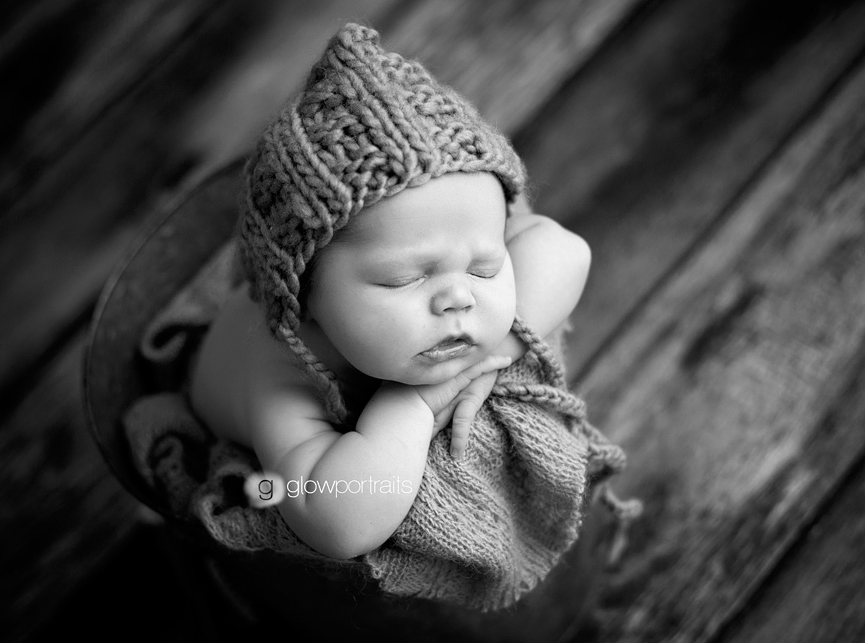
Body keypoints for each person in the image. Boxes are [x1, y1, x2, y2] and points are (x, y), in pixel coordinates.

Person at [190, 23, 592, 562]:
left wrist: (498, 355)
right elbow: (336, 520)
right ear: (305, 302)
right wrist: (414, 401)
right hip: (234, 431)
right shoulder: (282, 372)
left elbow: (567, 251)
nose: (458, 298)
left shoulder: (445, 229)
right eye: (405, 279)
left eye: (485, 265)